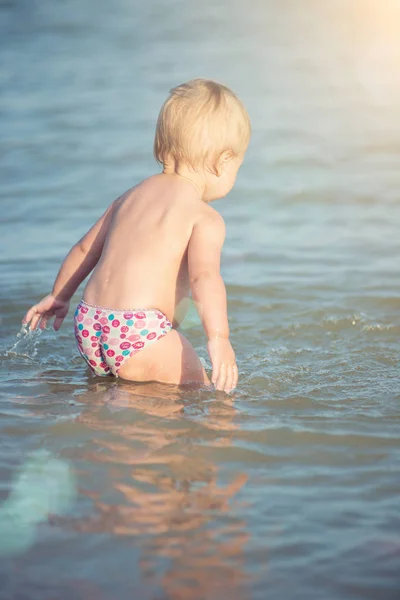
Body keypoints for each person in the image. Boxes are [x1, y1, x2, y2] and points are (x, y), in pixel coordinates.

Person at [23, 79, 251, 393]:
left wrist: (59, 296)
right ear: (224, 162)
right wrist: (219, 340)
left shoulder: (129, 197)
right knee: (208, 393)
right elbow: (205, 278)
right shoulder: (204, 216)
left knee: (109, 394)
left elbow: (84, 249)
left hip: (89, 322)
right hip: (138, 332)